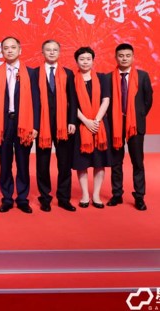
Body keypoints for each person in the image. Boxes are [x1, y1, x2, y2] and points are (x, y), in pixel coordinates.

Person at [0, 37, 40, 214]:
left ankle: (23, 198)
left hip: (24, 123)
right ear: (1, 51)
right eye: (6, 48)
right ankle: (7, 198)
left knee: (23, 163)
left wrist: (35, 126)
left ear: (20, 50)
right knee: (5, 163)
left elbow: (36, 101)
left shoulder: (31, 73)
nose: (9, 51)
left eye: (13, 47)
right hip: (3, 123)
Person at [33, 40, 78, 212]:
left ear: (59, 52)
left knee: (64, 163)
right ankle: (45, 198)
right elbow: (32, 102)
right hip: (42, 125)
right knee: (42, 163)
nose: (51, 52)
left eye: (55, 50)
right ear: (42, 53)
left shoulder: (68, 73)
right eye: (48, 50)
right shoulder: (35, 73)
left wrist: (72, 121)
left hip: (63, 125)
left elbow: (73, 99)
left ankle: (64, 198)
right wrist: (34, 125)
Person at [107, 43, 153, 211]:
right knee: (116, 162)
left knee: (137, 162)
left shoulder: (143, 76)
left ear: (133, 57)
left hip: (135, 125)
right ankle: (117, 194)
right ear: (116, 57)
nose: (124, 58)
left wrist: (137, 115)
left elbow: (148, 100)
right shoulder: (108, 78)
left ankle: (139, 196)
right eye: (121, 56)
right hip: (115, 125)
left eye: (127, 55)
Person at [72, 47, 111, 209]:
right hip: (81, 125)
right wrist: (86, 121)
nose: (85, 62)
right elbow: (71, 104)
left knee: (99, 162)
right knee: (81, 163)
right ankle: (85, 195)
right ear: (76, 61)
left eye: (88, 59)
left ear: (93, 60)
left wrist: (96, 120)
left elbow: (106, 100)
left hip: (99, 126)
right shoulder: (71, 79)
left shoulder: (102, 78)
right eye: (82, 59)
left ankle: (96, 195)